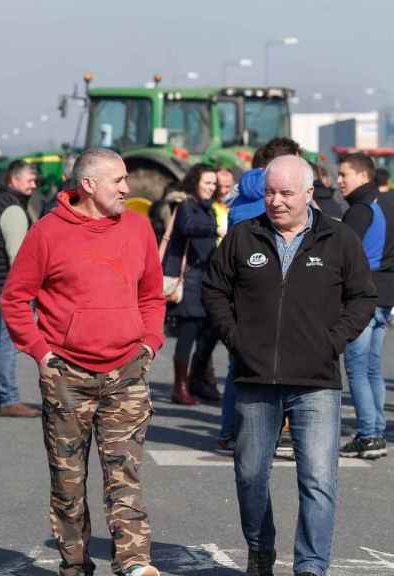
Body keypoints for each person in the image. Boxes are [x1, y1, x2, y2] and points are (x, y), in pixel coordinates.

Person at [202, 155, 375, 576]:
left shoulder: (339, 239)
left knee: (317, 481)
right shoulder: (244, 237)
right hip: (255, 379)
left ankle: (311, 566)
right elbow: (214, 290)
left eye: (285, 193)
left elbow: (363, 298)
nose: (275, 201)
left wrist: (331, 341)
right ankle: (261, 550)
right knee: (249, 477)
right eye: (270, 193)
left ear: (309, 194)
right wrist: (237, 338)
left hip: (315, 381)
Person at [1, 148, 165, 576]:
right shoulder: (47, 233)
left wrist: (149, 342)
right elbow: (15, 298)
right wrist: (41, 352)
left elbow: (151, 294)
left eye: (127, 179)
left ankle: (133, 562)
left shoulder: (138, 227)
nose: (127, 188)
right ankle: (75, 562)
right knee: (68, 482)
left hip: (127, 370)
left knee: (124, 475)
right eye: (118, 181)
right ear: (88, 185)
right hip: (66, 376)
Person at [217, 137, 302, 453]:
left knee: (238, 365)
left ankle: (230, 431)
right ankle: (270, 433)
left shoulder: (241, 193)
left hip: (241, 287)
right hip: (269, 288)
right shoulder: (277, 200)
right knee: (276, 365)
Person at [337, 152, 392, 459]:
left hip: (363, 297)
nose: (340, 180)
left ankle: (368, 434)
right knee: (371, 369)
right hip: (382, 295)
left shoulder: (359, 209)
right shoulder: (379, 204)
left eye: (345, 174)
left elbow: (345, 255)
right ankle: (376, 432)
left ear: (362, 175)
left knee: (358, 368)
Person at [0, 159, 41, 417]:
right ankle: (7, 398)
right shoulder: (14, 209)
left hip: (2, 284)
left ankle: (4, 396)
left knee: (5, 340)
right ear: (14, 180)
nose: (34, 184)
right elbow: (19, 256)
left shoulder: (2, 202)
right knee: (9, 342)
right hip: (12, 287)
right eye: (30, 179)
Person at [163, 164, 222, 404]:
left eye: (213, 184)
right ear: (195, 182)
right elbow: (188, 227)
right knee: (188, 334)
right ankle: (180, 387)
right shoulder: (186, 205)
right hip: (188, 280)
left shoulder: (210, 210)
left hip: (207, 280)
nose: (211, 187)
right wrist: (216, 228)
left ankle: (196, 379)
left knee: (211, 331)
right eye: (207, 182)